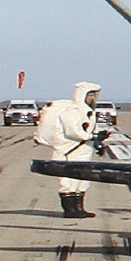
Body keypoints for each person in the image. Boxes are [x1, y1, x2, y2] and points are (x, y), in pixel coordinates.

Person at [38, 81, 102, 218]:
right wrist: (92, 136)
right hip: (68, 152)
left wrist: (98, 142)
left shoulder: (90, 113)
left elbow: (90, 130)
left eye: (94, 95)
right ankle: (69, 210)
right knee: (68, 181)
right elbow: (73, 132)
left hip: (84, 152)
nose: (92, 98)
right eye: (90, 95)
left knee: (83, 180)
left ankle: (79, 208)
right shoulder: (70, 112)